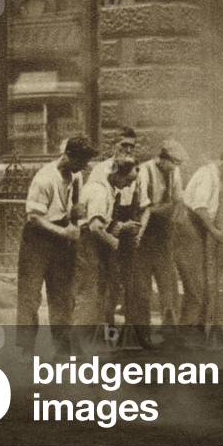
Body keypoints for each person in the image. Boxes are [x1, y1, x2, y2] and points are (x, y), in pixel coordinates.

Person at [16, 136, 97, 356]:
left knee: (62, 295)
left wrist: (76, 214)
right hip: (38, 239)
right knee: (30, 295)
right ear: (68, 156)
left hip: (63, 238)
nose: (84, 166)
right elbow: (34, 217)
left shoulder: (76, 175)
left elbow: (72, 209)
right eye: (81, 161)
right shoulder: (44, 179)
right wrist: (63, 232)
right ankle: (25, 350)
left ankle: (62, 349)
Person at [173, 147, 223, 341]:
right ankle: (185, 334)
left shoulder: (216, 176)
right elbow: (199, 207)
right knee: (196, 284)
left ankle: (195, 332)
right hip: (188, 226)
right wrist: (214, 231)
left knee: (201, 282)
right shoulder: (208, 175)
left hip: (195, 229)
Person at [86, 127, 150, 338]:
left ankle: (132, 331)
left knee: (132, 280)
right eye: (124, 145)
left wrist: (138, 231)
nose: (128, 149)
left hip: (129, 227)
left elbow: (143, 204)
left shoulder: (136, 171)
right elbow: (95, 213)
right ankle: (108, 330)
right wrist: (115, 230)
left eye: (132, 145)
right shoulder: (101, 171)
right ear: (114, 145)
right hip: (106, 227)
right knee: (109, 280)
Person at [75, 157, 140, 344]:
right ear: (117, 174)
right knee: (91, 291)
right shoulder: (99, 191)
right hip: (87, 243)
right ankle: (80, 343)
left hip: (95, 242)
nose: (128, 186)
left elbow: (102, 220)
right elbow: (95, 226)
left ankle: (102, 338)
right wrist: (115, 243)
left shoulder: (109, 189)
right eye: (127, 180)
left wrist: (122, 226)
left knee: (105, 289)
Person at [133, 140, 189, 341]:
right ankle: (142, 334)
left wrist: (175, 211)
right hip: (145, 233)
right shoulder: (144, 172)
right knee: (142, 287)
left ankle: (169, 329)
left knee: (169, 284)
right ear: (162, 158)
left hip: (163, 235)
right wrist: (168, 208)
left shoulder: (174, 172)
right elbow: (145, 208)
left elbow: (178, 199)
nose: (175, 167)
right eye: (173, 162)